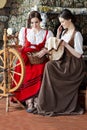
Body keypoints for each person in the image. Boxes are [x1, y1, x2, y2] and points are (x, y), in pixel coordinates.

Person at [35, 9, 85, 116]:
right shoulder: (64, 32)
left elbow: (79, 55)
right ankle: (48, 103)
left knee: (50, 67)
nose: (61, 24)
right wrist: (58, 35)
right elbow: (58, 48)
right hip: (65, 61)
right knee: (49, 65)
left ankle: (56, 104)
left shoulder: (77, 35)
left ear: (69, 19)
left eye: (63, 22)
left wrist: (66, 45)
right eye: (60, 22)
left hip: (74, 64)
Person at [12, 11, 54, 112]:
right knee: (24, 69)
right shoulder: (25, 31)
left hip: (41, 58)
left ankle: (36, 100)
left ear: (40, 21)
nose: (34, 25)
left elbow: (51, 47)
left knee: (41, 68)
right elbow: (21, 46)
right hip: (27, 59)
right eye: (32, 23)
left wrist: (45, 50)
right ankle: (29, 101)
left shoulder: (47, 33)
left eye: (36, 22)